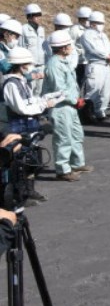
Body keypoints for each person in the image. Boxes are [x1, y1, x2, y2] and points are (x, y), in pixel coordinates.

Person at [2, 48, 57, 202]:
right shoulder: (11, 84)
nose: (30, 66)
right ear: (20, 65)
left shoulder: (22, 81)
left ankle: (30, 190)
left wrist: (44, 100)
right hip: (18, 126)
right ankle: (19, 195)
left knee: (33, 160)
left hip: (29, 124)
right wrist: (43, 106)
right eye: (28, 63)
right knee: (20, 162)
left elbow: (29, 101)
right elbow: (21, 108)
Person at [42, 31, 91, 180]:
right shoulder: (54, 65)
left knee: (76, 134)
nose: (71, 47)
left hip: (70, 105)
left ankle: (76, 163)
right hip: (60, 106)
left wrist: (76, 99)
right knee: (63, 138)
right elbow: (59, 89)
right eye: (69, 45)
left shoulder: (64, 62)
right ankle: (62, 169)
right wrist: (75, 100)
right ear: (62, 48)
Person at [79, 11, 110, 122]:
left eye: (101, 22)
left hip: (105, 65)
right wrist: (106, 55)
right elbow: (92, 49)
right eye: (98, 22)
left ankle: (100, 113)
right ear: (92, 23)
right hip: (95, 65)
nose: (100, 25)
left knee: (105, 91)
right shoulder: (86, 35)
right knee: (94, 90)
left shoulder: (103, 35)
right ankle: (86, 114)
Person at [21, 3, 46, 95]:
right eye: (37, 15)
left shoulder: (41, 30)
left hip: (41, 65)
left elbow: (44, 48)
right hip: (30, 66)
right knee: (30, 89)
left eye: (40, 15)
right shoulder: (23, 29)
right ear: (30, 16)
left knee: (39, 91)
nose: (39, 17)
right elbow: (21, 47)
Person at [71, 6, 92, 88]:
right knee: (78, 83)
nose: (88, 21)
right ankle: (77, 99)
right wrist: (78, 52)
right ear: (81, 18)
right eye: (87, 19)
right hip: (79, 62)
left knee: (88, 83)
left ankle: (86, 100)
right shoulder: (75, 29)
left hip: (88, 60)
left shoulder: (90, 29)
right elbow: (71, 44)